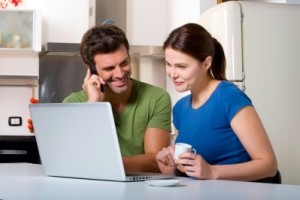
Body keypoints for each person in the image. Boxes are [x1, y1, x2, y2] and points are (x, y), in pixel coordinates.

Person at [29, 24, 172, 173]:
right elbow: (71, 159)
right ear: (92, 69)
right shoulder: (73, 103)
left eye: (124, 63)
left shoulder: (157, 98)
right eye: (109, 68)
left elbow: (158, 162)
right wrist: (93, 104)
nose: (119, 74)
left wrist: (104, 164)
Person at [155, 23, 278, 182]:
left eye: (181, 66)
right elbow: (194, 168)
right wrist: (171, 169)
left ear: (206, 63)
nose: (172, 73)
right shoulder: (180, 109)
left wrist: (212, 171)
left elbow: (269, 166)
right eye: (168, 64)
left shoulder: (229, 97)